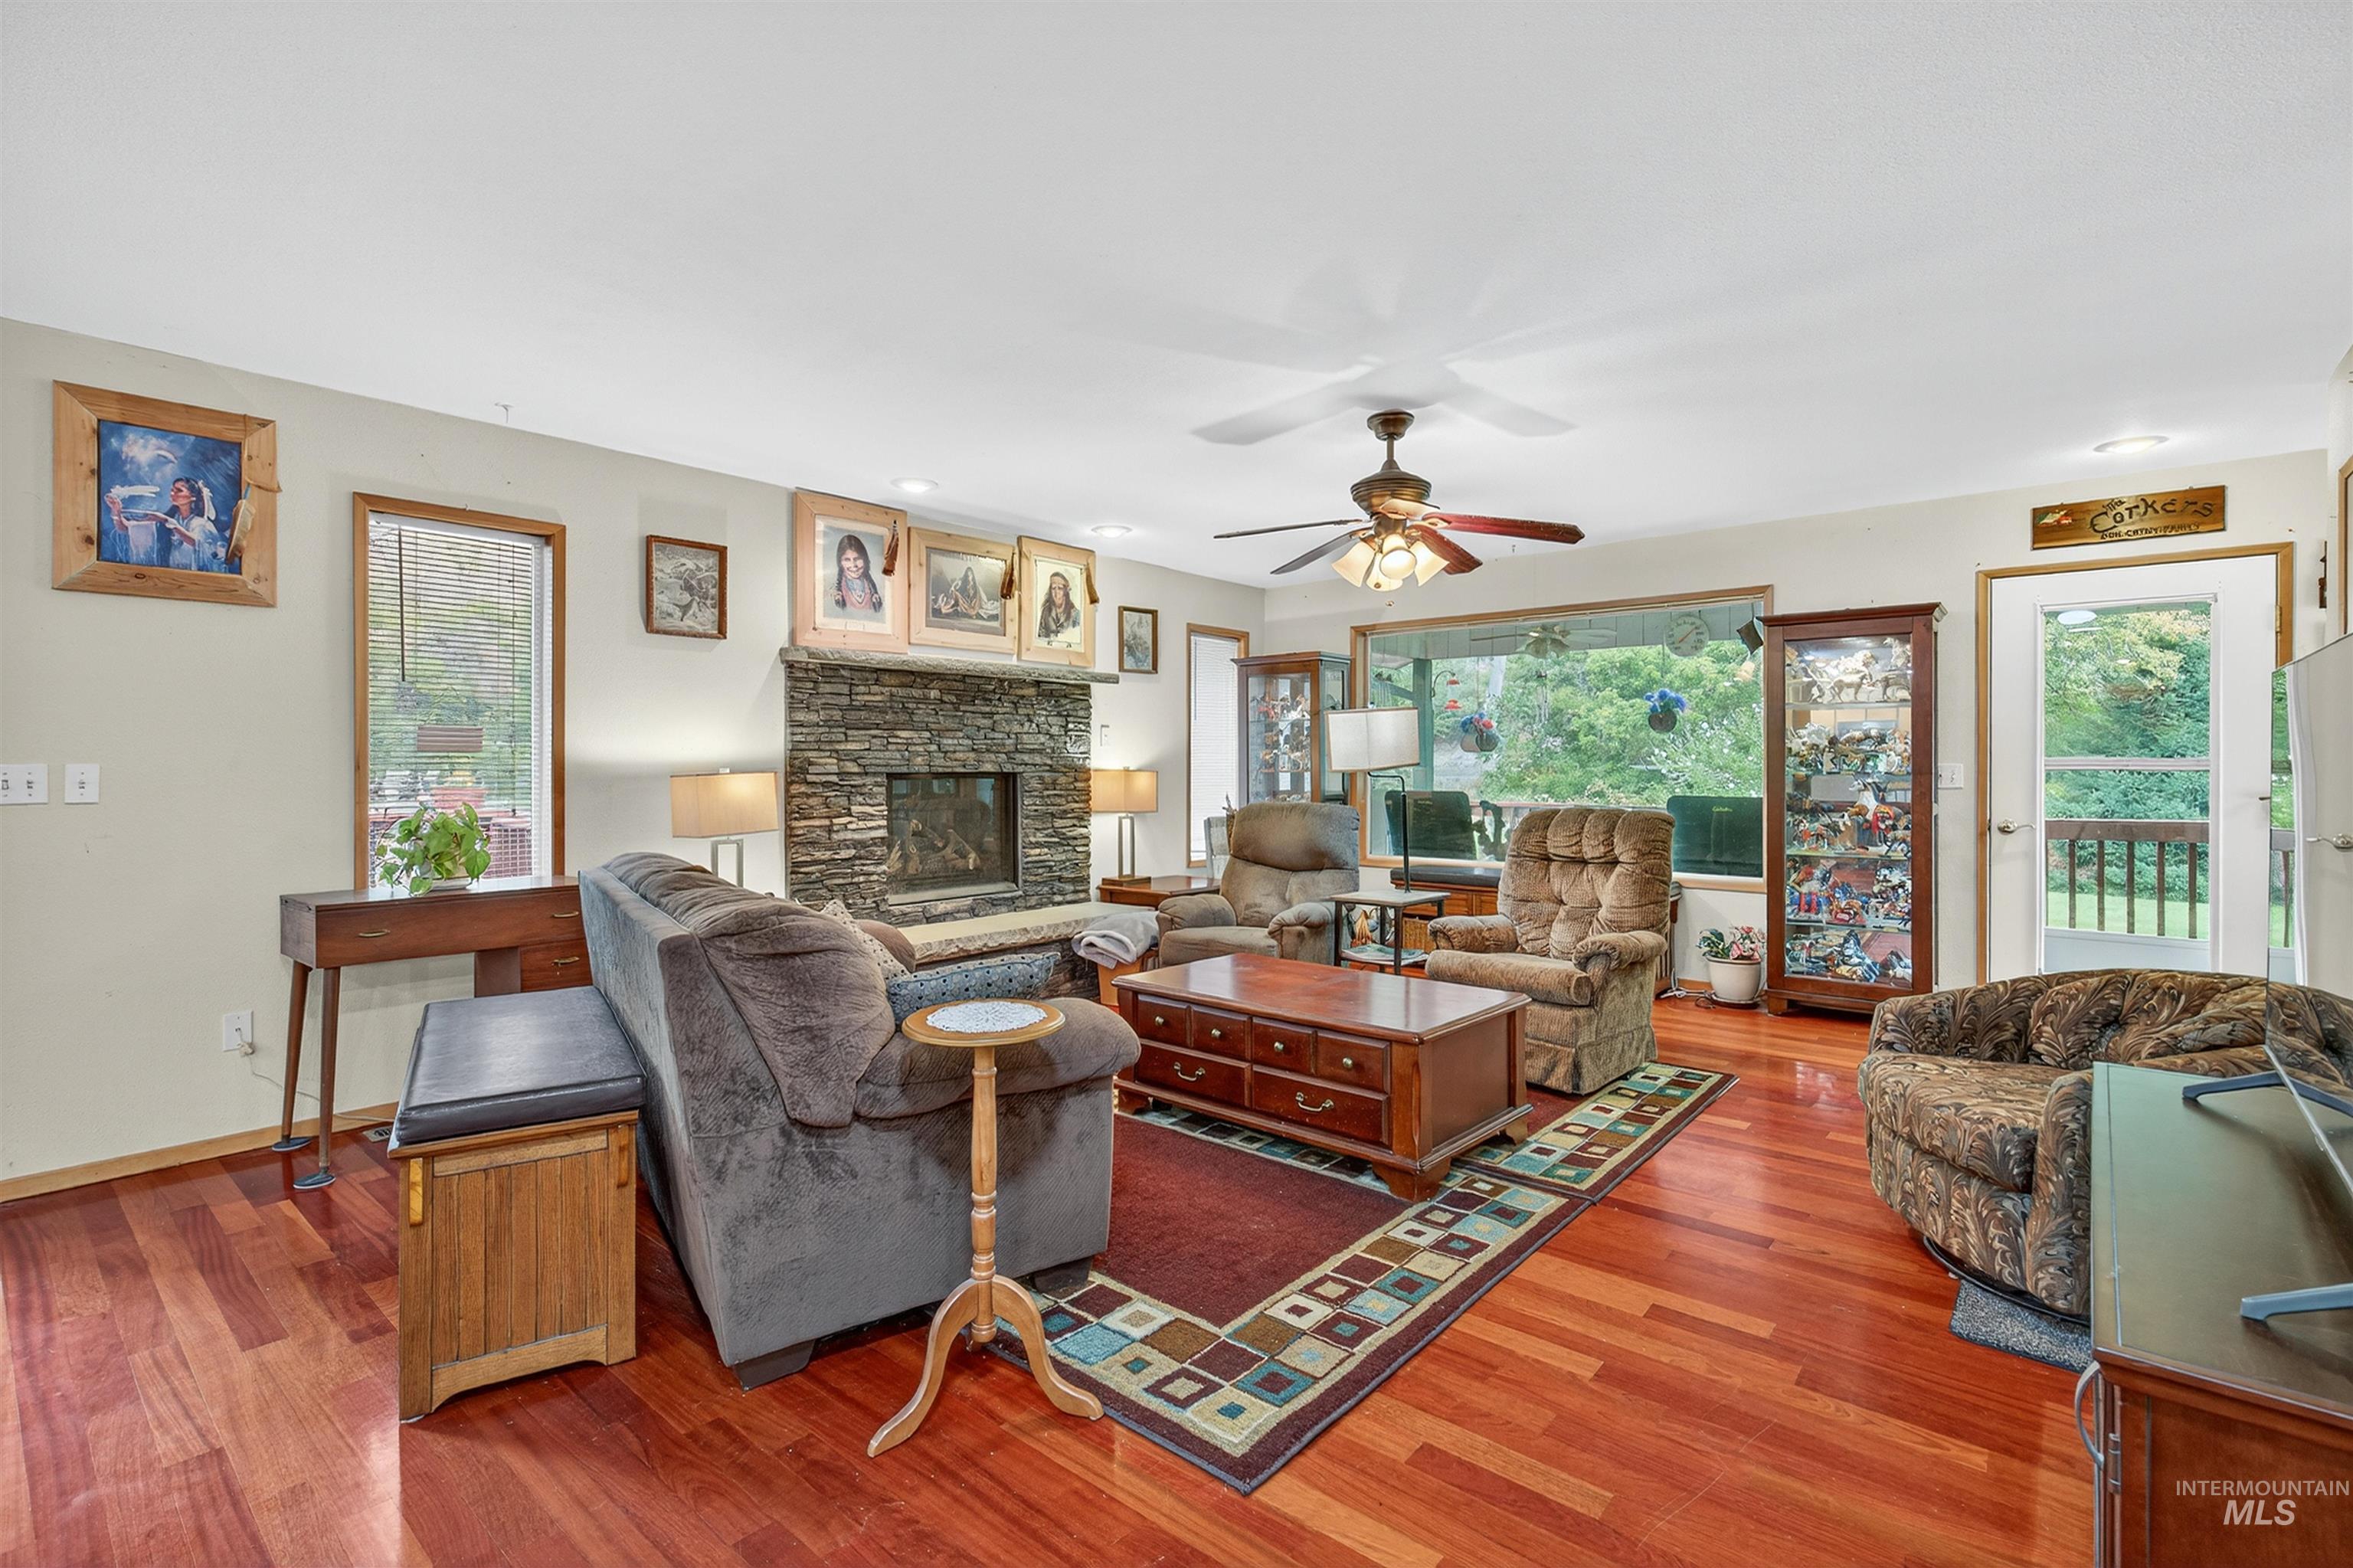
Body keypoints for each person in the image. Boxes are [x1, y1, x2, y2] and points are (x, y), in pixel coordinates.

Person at [106, 476, 225, 571]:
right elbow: (125, 528)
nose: (173, 493)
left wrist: (166, 521)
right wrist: (116, 511)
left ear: (192, 497)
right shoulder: (170, 519)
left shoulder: (201, 524)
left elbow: (197, 543)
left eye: (179, 490)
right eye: (172, 490)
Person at [832, 532, 883, 617]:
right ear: (840, 563)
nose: (854, 566)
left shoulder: (875, 590)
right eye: (847, 560)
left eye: (858, 559)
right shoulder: (836, 593)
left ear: (865, 560)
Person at [1036, 569, 1078, 641]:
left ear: (1066, 591)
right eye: (1053, 588)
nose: (1056, 592)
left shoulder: (1075, 614)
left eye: (1060, 588)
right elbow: (1040, 638)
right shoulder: (1046, 612)